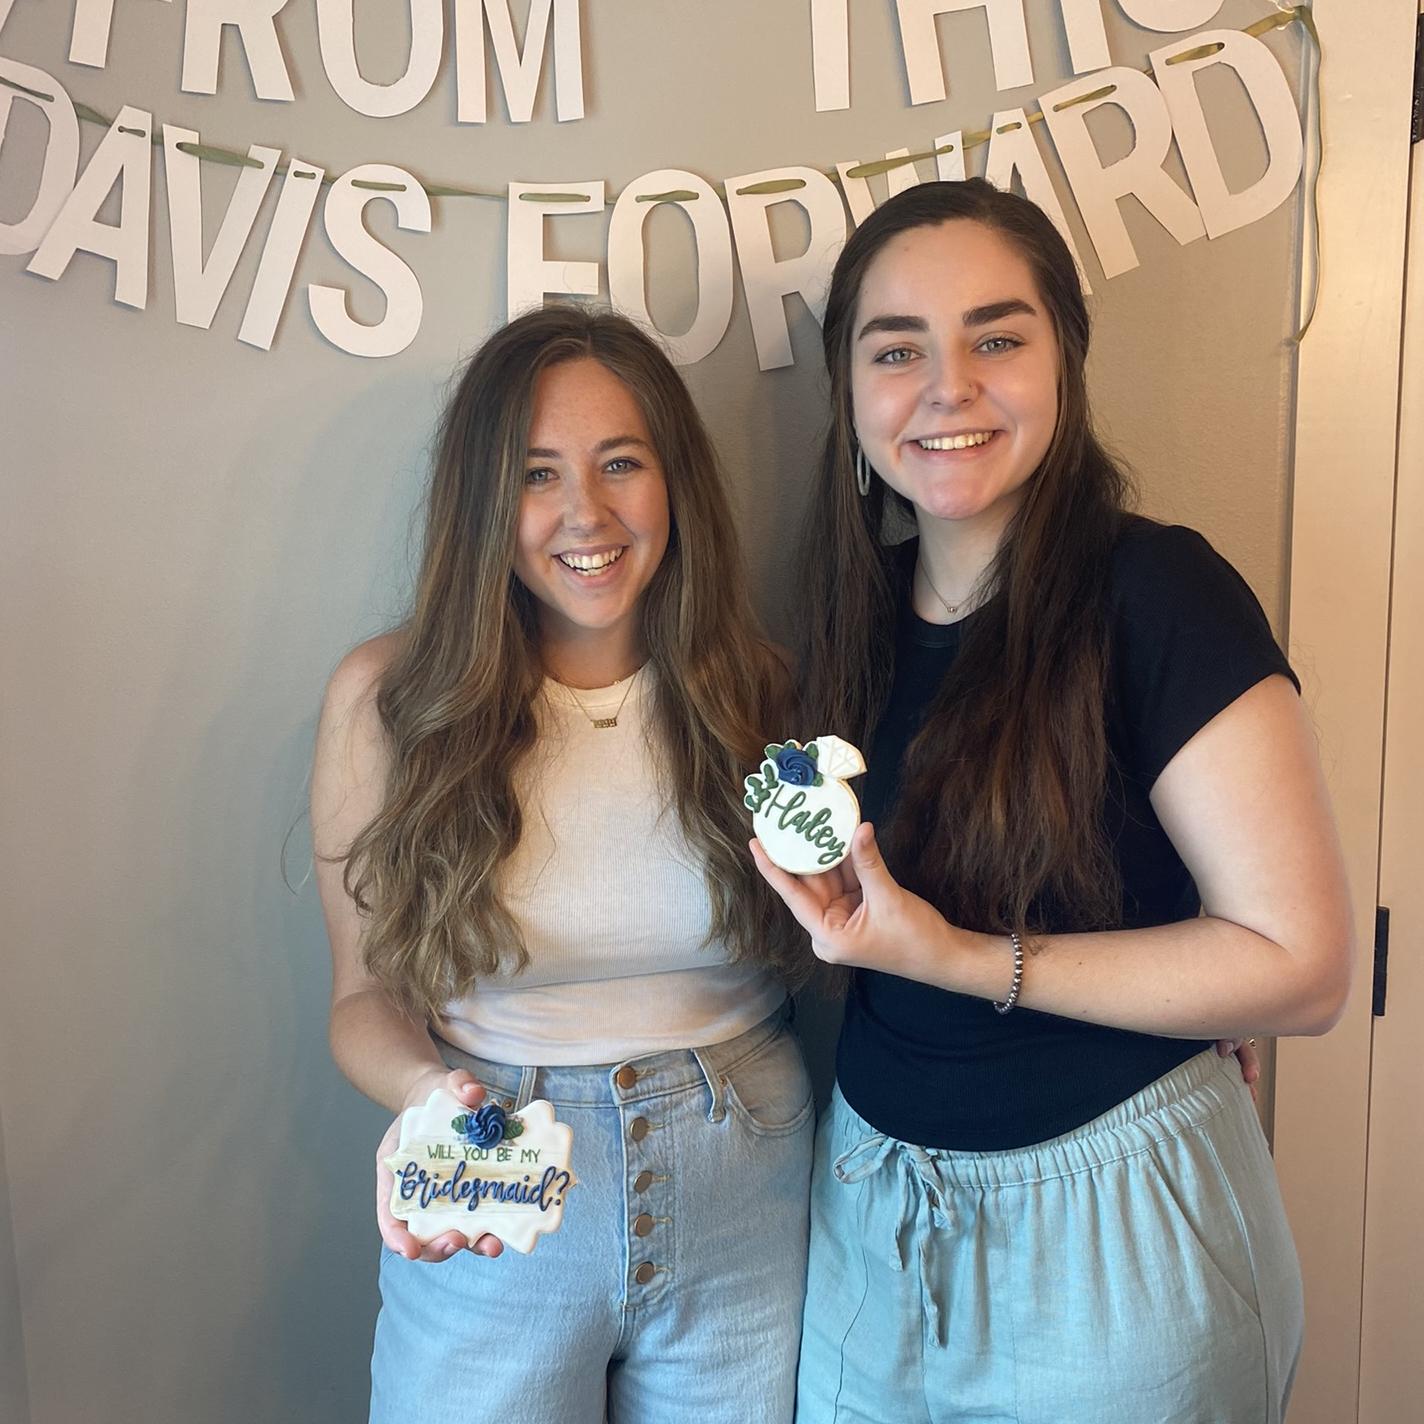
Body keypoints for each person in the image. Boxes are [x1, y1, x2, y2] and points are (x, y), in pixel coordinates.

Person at [751, 179, 1353, 1424]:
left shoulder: (1159, 592)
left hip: (1117, 1236)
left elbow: (1300, 968)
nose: (946, 387)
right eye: (895, 349)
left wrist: (963, 957)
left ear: (1064, 363)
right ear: (848, 390)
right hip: (871, 1218)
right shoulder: (849, 619)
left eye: (996, 338)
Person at [311, 307, 814, 1424]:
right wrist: (431, 1097)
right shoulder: (388, 702)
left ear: (673, 480)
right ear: (485, 500)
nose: (586, 512)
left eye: (620, 462)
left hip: (746, 1182)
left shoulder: (764, 695)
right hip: (493, 1164)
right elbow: (359, 999)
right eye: (538, 474)